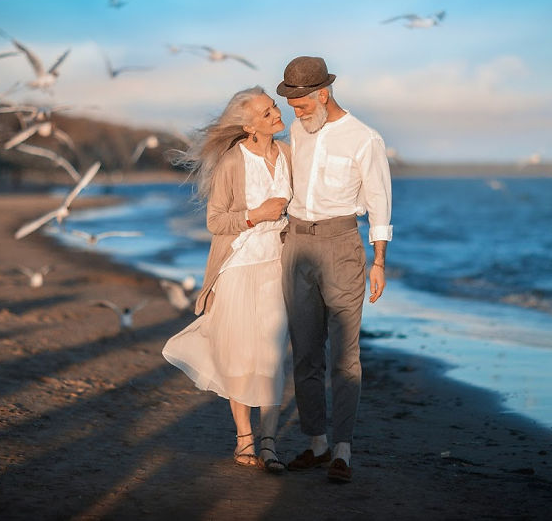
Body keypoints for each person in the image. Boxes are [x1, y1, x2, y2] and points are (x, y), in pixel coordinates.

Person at [162, 86, 292, 474]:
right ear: (249, 126)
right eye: (266, 113)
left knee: (271, 357)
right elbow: (216, 221)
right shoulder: (232, 162)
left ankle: (269, 443)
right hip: (237, 268)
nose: (276, 114)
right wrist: (257, 214)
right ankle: (244, 438)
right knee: (240, 356)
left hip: (278, 267)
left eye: (274, 107)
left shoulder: (289, 155)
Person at [276, 56, 393, 483]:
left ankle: (343, 449)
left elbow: (379, 202)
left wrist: (379, 262)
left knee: (345, 355)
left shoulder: (365, 139)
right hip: (296, 244)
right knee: (305, 352)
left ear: (322, 94)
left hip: (342, 245)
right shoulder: (297, 131)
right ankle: (317, 443)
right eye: (291, 105)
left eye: (301, 104)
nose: (295, 113)